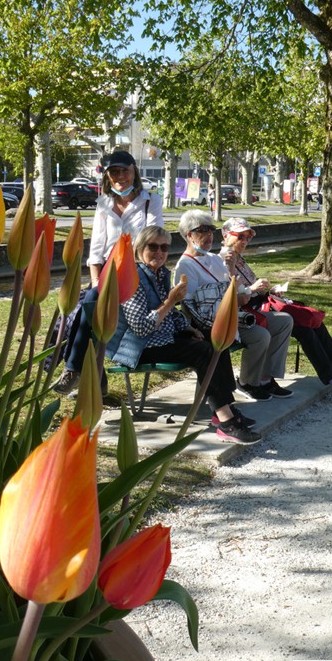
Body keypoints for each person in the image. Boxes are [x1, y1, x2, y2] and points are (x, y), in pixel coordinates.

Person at [106, 226, 261, 445]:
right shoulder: (134, 279)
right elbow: (140, 327)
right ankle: (226, 421)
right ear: (140, 248)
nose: (159, 252)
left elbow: (171, 313)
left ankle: (225, 409)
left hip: (162, 337)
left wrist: (187, 327)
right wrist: (170, 301)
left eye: (164, 247)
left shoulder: (160, 274)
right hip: (138, 347)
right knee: (203, 350)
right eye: (153, 246)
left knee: (214, 340)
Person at [220, 217, 332, 403]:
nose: (244, 241)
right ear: (225, 235)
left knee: (313, 321)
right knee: (303, 328)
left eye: (248, 237)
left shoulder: (239, 258)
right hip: (247, 314)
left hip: (259, 306)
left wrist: (268, 290)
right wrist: (253, 289)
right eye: (240, 236)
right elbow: (232, 296)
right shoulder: (224, 260)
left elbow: (247, 289)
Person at [55, 150, 164, 394]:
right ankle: (91, 378)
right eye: (114, 172)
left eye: (125, 170)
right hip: (106, 272)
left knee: (92, 304)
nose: (120, 176)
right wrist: (95, 280)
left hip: (136, 271)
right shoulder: (104, 203)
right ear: (107, 176)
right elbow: (96, 248)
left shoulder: (150, 201)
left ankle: (74, 370)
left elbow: (153, 240)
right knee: (84, 304)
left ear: (134, 171)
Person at [174, 210, 294, 402]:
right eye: (203, 230)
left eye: (211, 230)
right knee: (260, 336)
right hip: (208, 324)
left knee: (283, 321)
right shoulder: (185, 266)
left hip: (231, 316)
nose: (209, 236)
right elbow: (195, 307)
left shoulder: (214, 259)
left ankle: (264, 379)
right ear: (189, 234)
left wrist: (231, 272)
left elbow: (233, 291)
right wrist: (237, 298)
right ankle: (247, 384)